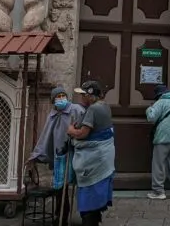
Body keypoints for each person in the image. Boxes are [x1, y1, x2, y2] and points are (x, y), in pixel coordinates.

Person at [29, 85, 85, 226]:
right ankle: (60, 216)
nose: (61, 99)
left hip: (75, 153)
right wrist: (36, 154)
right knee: (60, 187)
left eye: (62, 96)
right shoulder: (52, 115)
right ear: (53, 101)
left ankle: (86, 215)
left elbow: (85, 128)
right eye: (57, 97)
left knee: (81, 184)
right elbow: (45, 136)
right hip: (60, 156)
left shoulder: (76, 110)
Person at [67, 80, 115, 226]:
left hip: (94, 158)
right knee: (97, 190)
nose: (81, 98)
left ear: (90, 95)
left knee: (90, 191)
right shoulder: (105, 106)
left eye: (83, 95)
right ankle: (94, 216)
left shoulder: (93, 109)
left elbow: (83, 133)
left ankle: (90, 220)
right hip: (104, 157)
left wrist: (71, 131)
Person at [146, 84, 170, 200]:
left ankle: (158, 191)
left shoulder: (160, 102)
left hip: (163, 138)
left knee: (158, 165)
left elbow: (151, 118)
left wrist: (149, 109)